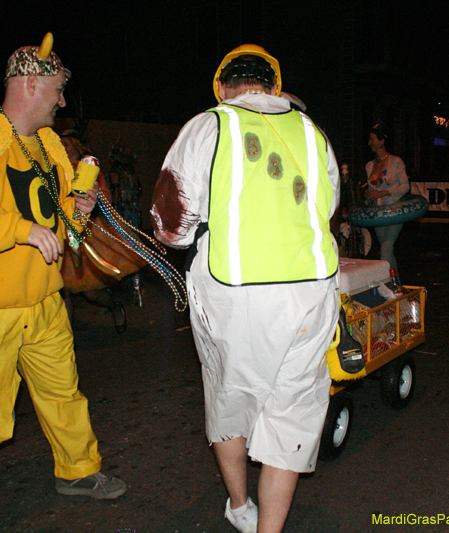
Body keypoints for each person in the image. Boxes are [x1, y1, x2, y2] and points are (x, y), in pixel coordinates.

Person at [0, 36, 126, 533]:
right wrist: (21, 230)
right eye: (58, 90)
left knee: (64, 396)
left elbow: (59, 232)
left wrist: (77, 217)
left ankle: (79, 472)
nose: (62, 102)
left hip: (43, 301)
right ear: (32, 84)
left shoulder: (50, 146)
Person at [151, 44, 340, 533]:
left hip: (233, 300)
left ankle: (239, 506)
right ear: (275, 87)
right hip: (310, 299)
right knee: (292, 413)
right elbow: (328, 206)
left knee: (228, 399)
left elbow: (172, 227)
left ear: (220, 87)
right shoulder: (314, 134)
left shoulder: (207, 126)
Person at [59, 130, 127, 333]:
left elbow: (107, 198)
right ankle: (67, 341)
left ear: (77, 148)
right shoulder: (53, 168)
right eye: (59, 143)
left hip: (87, 233)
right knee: (62, 292)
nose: (62, 147)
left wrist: (86, 198)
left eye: (67, 143)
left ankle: (115, 307)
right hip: (61, 233)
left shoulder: (87, 168)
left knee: (91, 292)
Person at [365, 124, 410, 281]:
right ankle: (395, 283)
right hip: (379, 214)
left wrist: (383, 192)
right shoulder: (369, 166)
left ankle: (389, 285)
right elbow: (371, 189)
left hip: (394, 212)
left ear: (381, 141)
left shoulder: (396, 162)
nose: (369, 143)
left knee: (385, 249)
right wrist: (369, 195)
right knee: (387, 251)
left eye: (372, 139)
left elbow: (405, 186)